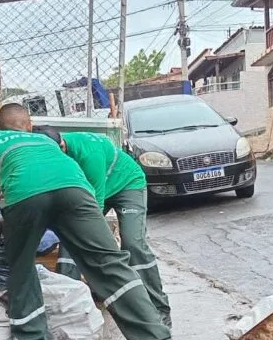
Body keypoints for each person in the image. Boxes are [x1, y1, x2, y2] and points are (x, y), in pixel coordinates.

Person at [0, 104, 196, 340]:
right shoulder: (47, 140)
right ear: (28, 125)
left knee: (21, 269)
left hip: (25, 196)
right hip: (76, 190)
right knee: (111, 265)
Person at [33, 128, 172, 328]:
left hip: (126, 185)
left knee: (133, 243)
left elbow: (94, 209)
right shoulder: (49, 154)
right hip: (92, 190)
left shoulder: (89, 153)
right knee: (70, 236)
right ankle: (66, 306)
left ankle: (159, 309)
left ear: (62, 146)